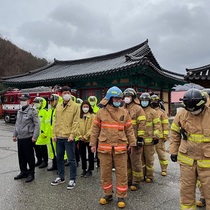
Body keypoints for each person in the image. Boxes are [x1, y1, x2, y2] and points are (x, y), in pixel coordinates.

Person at [90, 86, 136, 208]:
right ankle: (108, 194)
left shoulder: (124, 112)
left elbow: (129, 130)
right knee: (105, 173)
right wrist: (93, 144)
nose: (118, 100)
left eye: (119, 98)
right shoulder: (101, 112)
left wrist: (132, 143)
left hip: (120, 148)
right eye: (116, 98)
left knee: (122, 173)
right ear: (110, 99)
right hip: (104, 149)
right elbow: (95, 130)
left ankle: (121, 196)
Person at [170, 88, 210, 210]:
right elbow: (174, 133)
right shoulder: (182, 114)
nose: (193, 112)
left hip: (207, 161)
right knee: (186, 190)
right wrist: (173, 151)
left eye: (196, 110)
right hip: (187, 160)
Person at [51, 86, 79, 190]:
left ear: (70, 94)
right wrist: (54, 134)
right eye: (64, 93)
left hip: (68, 137)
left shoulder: (75, 106)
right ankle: (61, 177)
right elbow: (55, 121)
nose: (66, 94)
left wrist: (72, 135)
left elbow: (76, 122)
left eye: (68, 92)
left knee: (71, 159)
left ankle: (72, 179)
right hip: (59, 136)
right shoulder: (58, 106)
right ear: (61, 94)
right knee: (59, 158)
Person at [13, 94, 40, 182]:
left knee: (29, 156)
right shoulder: (19, 111)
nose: (22, 101)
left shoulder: (32, 111)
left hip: (28, 137)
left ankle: (31, 173)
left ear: (29, 101)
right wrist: (14, 134)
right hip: (20, 137)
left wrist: (35, 136)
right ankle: (23, 172)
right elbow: (17, 124)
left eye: (24, 100)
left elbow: (37, 125)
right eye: (21, 100)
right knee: (21, 156)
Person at [123, 88, 146, 191]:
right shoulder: (122, 108)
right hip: (124, 140)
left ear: (133, 97)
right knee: (126, 161)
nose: (127, 98)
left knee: (136, 161)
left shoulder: (138, 109)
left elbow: (142, 124)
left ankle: (136, 181)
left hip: (135, 139)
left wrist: (140, 138)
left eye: (129, 96)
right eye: (126, 96)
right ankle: (129, 179)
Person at [139, 92, 161, 183]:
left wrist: (156, 136)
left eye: (146, 101)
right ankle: (142, 175)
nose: (144, 102)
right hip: (140, 140)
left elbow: (157, 125)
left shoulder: (153, 112)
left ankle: (150, 175)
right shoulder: (138, 111)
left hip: (150, 140)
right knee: (140, 159)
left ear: (149, 101)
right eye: (142, 101)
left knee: (149, 159)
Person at [150, 94, 169, 176]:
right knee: (149, 155)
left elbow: (165, 124)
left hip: (159, 137)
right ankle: (150, 171)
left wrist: (165, 135)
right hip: (149, 136)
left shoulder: (162, 112)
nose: (153, 102)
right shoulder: (148, 111)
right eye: (152, 101)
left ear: (158, 102)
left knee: (161, 153)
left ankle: (164, 169)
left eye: (155, 101)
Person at [78, 100, 95, 177]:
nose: (85, 108)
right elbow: (76, 126)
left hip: (89, 139)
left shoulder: (92, 116)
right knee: (83, 155)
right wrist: (79, 136)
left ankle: (90, 170)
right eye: (84, 107)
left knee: (90, 155)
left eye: (87, 107)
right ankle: (84, 169)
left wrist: (86, 136)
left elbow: (92, 128)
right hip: (81, 139)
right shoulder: (79, 116)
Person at [46, 94, 62, 171]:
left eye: (52, 101)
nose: (51, 102)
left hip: (57, 134)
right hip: (50, 134)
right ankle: (54, 165)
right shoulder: (50, 111)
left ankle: (59, 167)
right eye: (50, 101)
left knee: (58, 151)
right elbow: (47, 123)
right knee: (52, 150)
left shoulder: (59, 110)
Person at [33, 97, 49, 169]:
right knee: (36, 148)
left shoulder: (45, 111)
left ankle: (45, 161)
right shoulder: (34, 111)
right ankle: (39, 160)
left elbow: (47, 123)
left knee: (43, 147)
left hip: (42, 133)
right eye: (35, 102)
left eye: (37, 102)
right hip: (35, 133)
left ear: (41, 103)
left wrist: (45, 132)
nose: (36, 104)